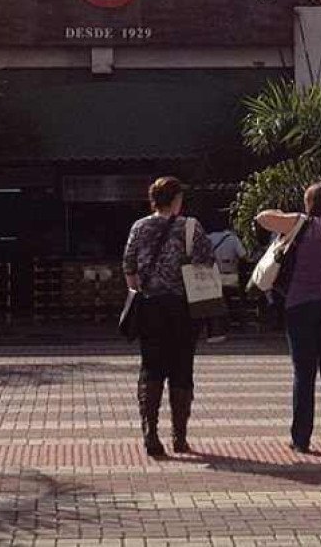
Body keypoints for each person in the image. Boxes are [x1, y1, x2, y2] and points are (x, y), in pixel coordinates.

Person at [256, 182, 321, 454]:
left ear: (309, 203)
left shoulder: (301, 223)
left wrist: (286, 214)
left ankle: (301, 438)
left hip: (301, 304)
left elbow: (263, 218)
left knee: (304, 373)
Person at [123, 175, 214, 458]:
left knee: (151, 368)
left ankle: (150, 434)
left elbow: (128, 266)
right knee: (182, 369)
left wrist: (144, 286)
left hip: (150, 306)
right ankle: (179, 436)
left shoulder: (139, 227)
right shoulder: (191, 227)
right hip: (183, 307)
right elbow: (206, 263)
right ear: (176, 200)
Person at [206, 224, 247, 342]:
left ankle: (217, 329)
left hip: (213, 276)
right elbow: (243, 255)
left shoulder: (208, 238)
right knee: (234, 299)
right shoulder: (233, 238)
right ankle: (239, 324)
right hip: (230, 277)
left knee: (216, 303)